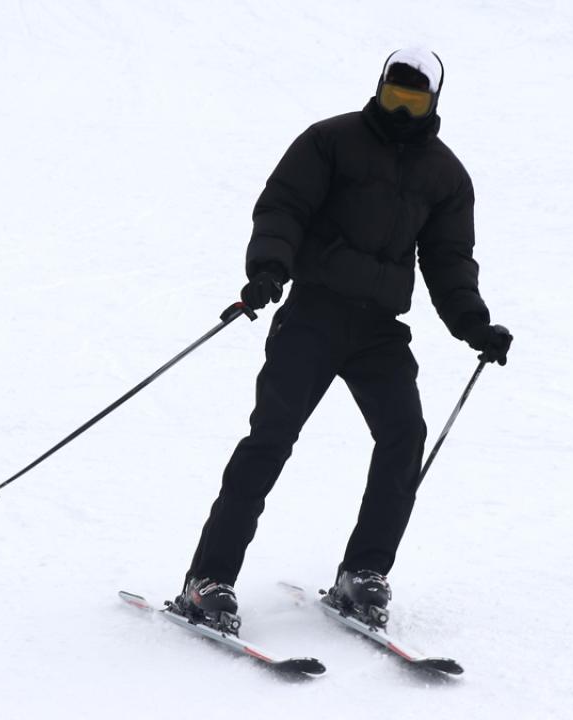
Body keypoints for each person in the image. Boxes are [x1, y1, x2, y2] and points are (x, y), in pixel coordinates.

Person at [175, 48, 513, 632]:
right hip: (313, 314)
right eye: (392, 100)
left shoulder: (446, 175)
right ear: (378, 89)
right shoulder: (329, 141)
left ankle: (364, 574)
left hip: (379, 329)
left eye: (414, 103)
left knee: (404, 433)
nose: (401, 113)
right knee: (271, 439)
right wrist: (269, 269)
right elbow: (283, 207)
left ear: (433, 102)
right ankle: (207, 580)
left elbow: (449, 259)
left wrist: (474, 323)